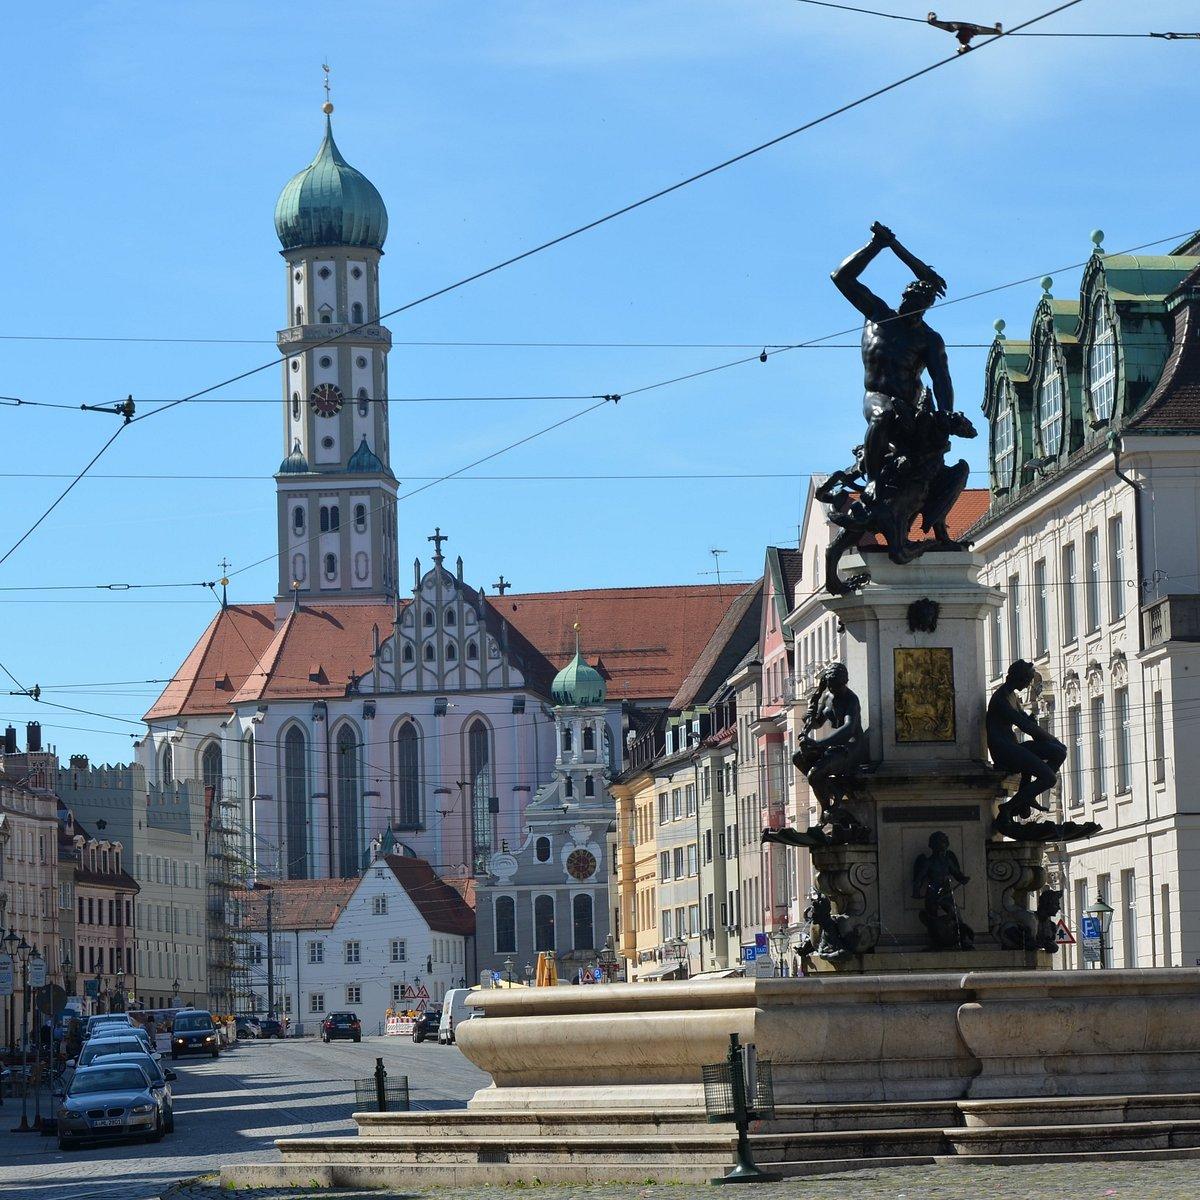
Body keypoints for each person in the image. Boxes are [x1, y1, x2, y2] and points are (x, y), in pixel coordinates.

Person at [831, 222, 953, 488]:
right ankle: (873, 482)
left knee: (935, 457)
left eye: (920, 307)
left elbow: (941, 380)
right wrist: (876, 246)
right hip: (877, 397)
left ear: (927, 308)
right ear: (903, 297)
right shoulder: (878, 315)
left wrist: (945, 414)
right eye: (910, 302)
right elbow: (841, 277)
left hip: (910, 406)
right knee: (882, 415)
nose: (913, 309)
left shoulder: (929, 339)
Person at [987, 660, 1068, 821]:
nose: (1028, 684)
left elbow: (1026, 721)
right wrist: (1053, 740)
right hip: (1004, 751)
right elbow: (1025, 726)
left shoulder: (1012, 695)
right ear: (1020, 678)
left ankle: (1026, 793)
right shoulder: (1001, 698)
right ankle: (1008, 808)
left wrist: (1054, 744)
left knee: (1058, 753)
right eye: (1028, 680)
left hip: (1012, 747)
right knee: (1049, 778)